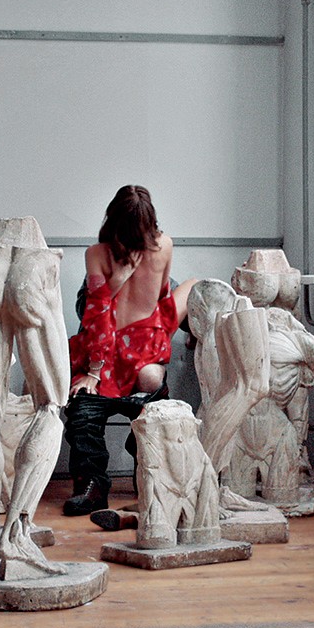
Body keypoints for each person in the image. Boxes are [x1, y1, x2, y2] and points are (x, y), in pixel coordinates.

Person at [63, 185, 196, 516]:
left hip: (137, 354)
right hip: (112, 353)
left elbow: (164, 302)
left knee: (148, 390)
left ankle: (146, 472)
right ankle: (92, 485)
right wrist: (118, 282)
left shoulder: (155, 251)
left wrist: (187, 331)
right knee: (84, 411)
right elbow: (92, 313)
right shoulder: (104, 255)